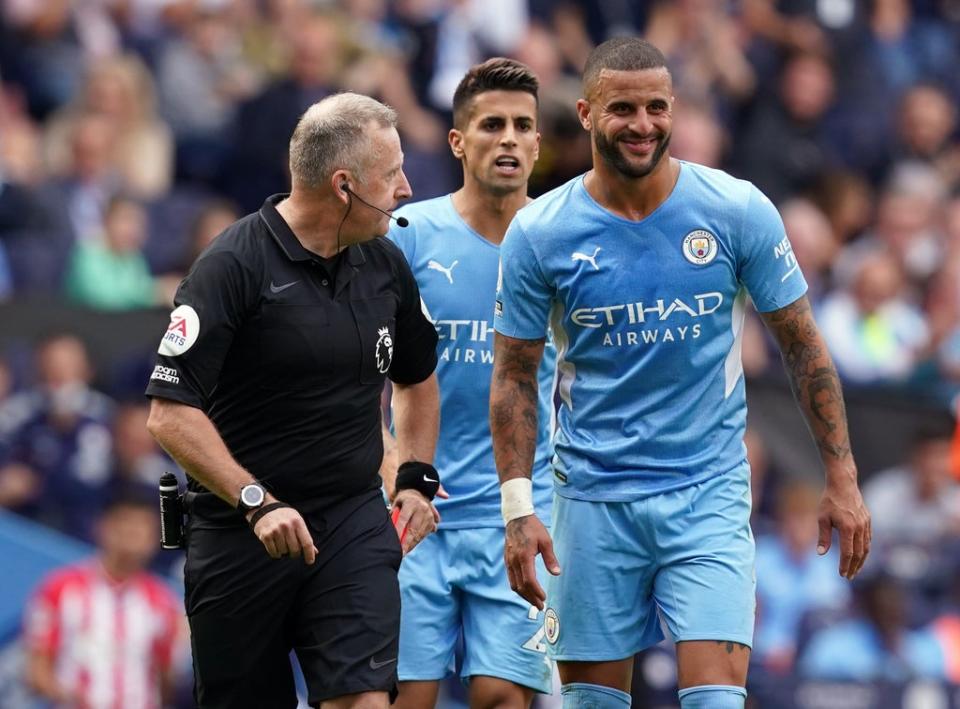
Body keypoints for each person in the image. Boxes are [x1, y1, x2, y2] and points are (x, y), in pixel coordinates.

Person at [489, 37, 871, 709]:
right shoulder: (539, 233)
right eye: (623, 108)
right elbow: (516, 377)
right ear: (585, 112)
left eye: (657, 107)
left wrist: (841, 476)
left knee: (717, 702)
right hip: (591, 499)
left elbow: (803, 345)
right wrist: (519, 509)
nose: (643, 124)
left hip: (708, 494)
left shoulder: (735, 210)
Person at [145, 92, 442, 709]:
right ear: (343, 186)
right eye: (392, 175)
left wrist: (413, 475)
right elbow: (169, 413)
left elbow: (417, 376)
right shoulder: (230, 266)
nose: (407, 189)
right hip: (241, 532)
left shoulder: (385, 263)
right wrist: (256, 501)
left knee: (364, 700)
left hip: (353, 522)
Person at [385, 58, 556, 708]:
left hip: (516, 515)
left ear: (539, 141)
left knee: (502, 698)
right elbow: (355, 377)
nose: (508, 138)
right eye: (491, 125)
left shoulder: (566, 243)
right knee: (406, 697)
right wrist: (390, 471)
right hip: (414, 511)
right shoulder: (406, 236)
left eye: (522, 125)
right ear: (458, 141)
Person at [23, 488, 184, 708]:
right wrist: (65, 695)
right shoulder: (60, 587)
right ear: (103, 527)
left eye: (142, 527)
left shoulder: (164, 601)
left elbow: (165, 676)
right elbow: (37, 666)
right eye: (125, 523)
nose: (132, 533)